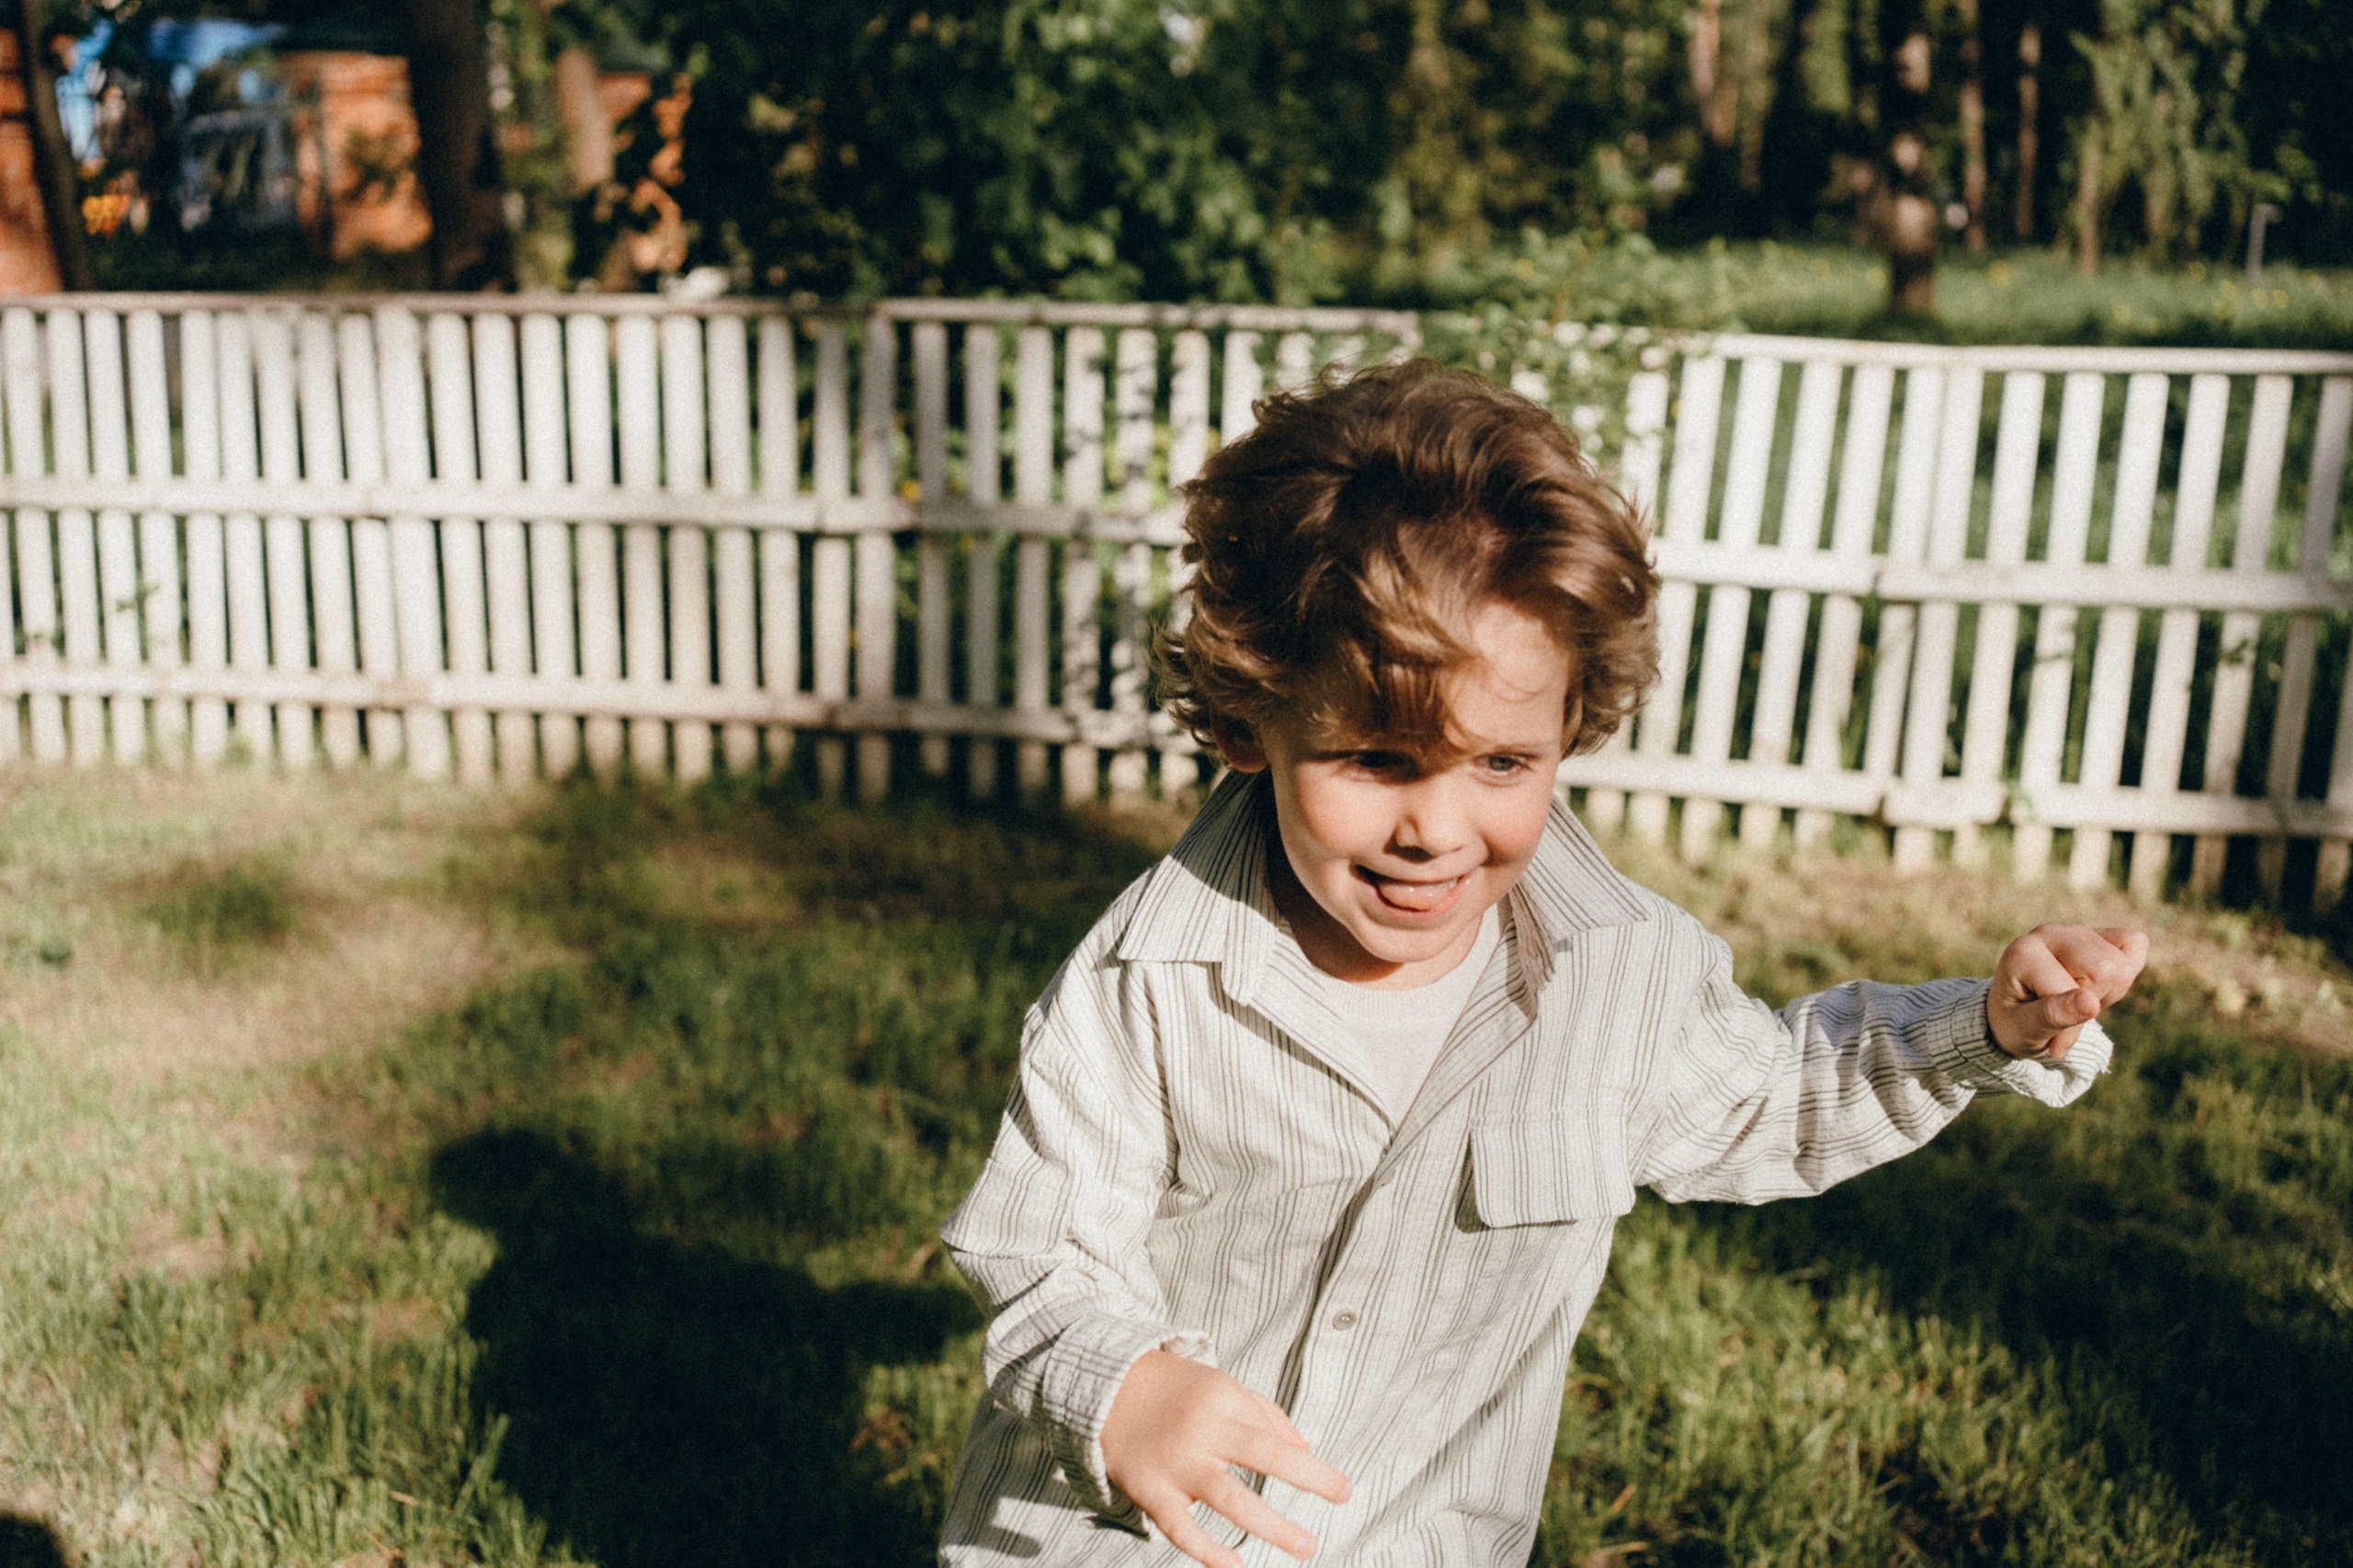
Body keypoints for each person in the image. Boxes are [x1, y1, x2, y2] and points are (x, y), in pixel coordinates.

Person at [936, 360, 2146, 1568]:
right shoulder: (1144, 980)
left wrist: (1985, 1027)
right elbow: (1039, 1247)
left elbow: (1773, 1098)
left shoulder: (1620, 973)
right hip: (1127, 1545)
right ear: (1258, 717)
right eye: (1376, 757)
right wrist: (1124, 1385)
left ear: (1570, 722)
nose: (1437, 828)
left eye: (1502, 764)